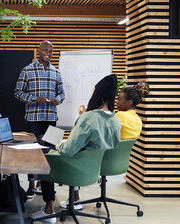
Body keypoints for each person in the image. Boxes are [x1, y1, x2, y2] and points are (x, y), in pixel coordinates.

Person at [31, 74, 121, 223]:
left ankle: (49, 208)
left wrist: (57, 144)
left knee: (43, 144)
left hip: (74, 168)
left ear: (97, 95)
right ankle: (74, 198)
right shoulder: (115, 120)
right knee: (47, 140)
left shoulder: (88, 118)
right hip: (92, 169)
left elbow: (69, 150)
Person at [61, 80, 150, 210]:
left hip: (102, 160)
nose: (116, 102)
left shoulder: (117, 117)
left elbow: (99, 128)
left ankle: (75, 198)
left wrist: (85, 117)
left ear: (129, 102)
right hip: (118, 162)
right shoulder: (137, 120)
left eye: (119, 100)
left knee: (80, 149)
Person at [14, 40, 65, 198]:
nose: (48, 53)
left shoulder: (56, 72)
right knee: (33, 152)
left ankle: (46, 184)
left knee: (49, 152)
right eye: (45, 50)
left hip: (51, 118)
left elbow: (62, 94)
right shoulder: (27, 70)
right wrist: (34, 99)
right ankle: (31, 184)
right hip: (33, 118)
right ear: (38, 51)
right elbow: (17, 92)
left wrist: (58, 99)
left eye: (50, 50)